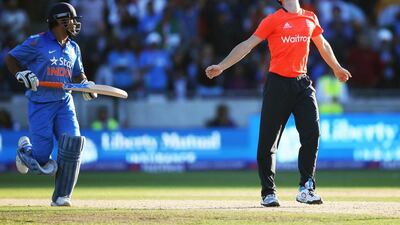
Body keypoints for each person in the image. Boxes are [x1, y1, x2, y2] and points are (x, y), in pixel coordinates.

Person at [205, 0, 351, 207]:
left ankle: (306, 188)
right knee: (268, 141)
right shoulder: (272, 20)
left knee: (312, 134)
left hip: (302, 83)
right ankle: (268, 192)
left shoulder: (310, 17)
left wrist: (336, 67)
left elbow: (323, 44)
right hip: (278, 85)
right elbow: (247, 45)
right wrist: (221, 66)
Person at [5, 2, 97, 207]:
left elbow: (78, 73)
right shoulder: (37, 42)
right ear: (60, 20)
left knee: (73, 143)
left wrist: (85, 84)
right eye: (72, 19)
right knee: (42, 162)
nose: (75, 23)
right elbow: (11, 58)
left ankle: (62, 197)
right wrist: (21, 73)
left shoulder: (74, 47)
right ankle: (25, 150)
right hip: (40, 103)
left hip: (64, 101)